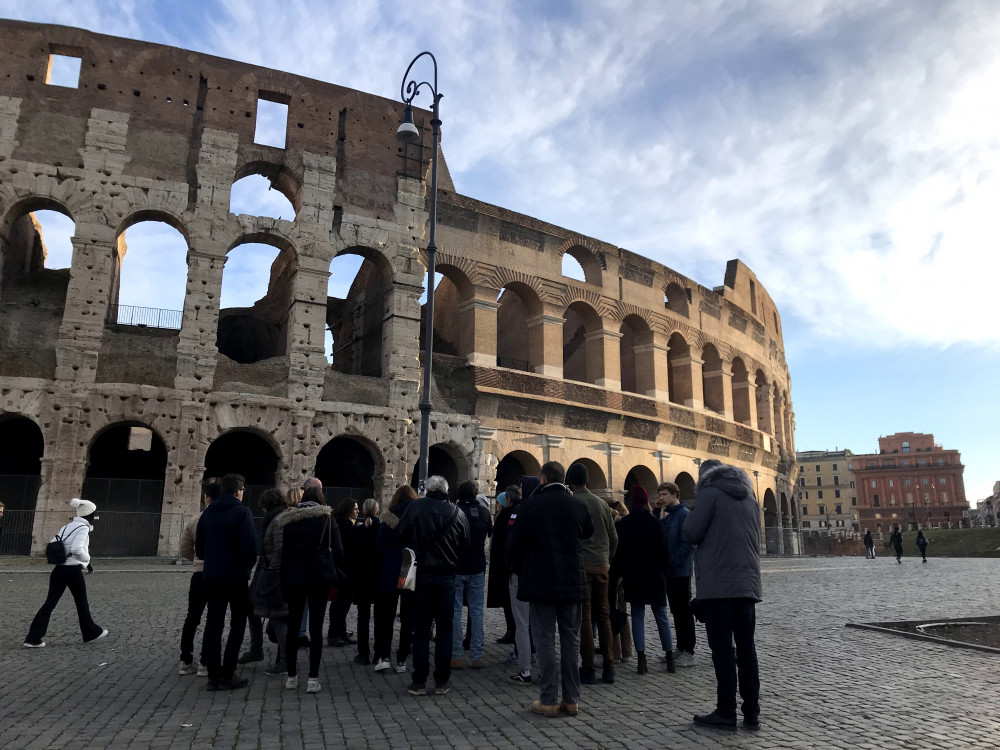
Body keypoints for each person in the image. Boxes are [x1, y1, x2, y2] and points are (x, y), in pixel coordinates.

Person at [507, 461, 594, 718]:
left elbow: (515, 545)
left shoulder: (530, 506)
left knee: (544, 639)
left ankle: (547, 699)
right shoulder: (578, 504)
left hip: (541, 582)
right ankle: (571, 700)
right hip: (572, 581)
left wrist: (522, 571)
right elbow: (588, 532)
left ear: (543, 478)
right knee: (571, 641)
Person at [683, 459, 761, 730]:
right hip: (747, 585)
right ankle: (752, 712)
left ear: (704, 477)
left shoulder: (709, 493)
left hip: (719, 586)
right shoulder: (749, 497)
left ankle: (726, 711)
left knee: (723, 651)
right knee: (747, 649)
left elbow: (690, 532)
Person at [396, 475, 470, 696]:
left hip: (422, 576)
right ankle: (442, 680)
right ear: (447, 491)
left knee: (420, 629)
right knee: (445, 629)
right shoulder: (458, 513)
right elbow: (466, 544)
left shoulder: (415, 508)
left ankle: (419, 680)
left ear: (427, 489)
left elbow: (401, 535)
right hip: (447, 577)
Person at [278, 484, 345, 693]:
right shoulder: (327, 520)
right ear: (321, 498)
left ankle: (291, 676)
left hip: (295, 579)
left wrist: (283, 581)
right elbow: (340, 552)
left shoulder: (290, 522)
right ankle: (313, 679)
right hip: (319, 578)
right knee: (316, 629)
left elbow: (284, 555)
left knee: (293, 627)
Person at [196, 473, 258, 691]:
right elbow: (250, 547)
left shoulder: (207, 513)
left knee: (213, 624)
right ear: (239, 491)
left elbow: (199, 550)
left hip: (212, 576)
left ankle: (213, 676)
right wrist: (246, 566)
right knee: (237, 624)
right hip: (236, 577)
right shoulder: (242, 512)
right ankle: (228, 673)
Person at [24, 498, 108, 647]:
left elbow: (53, 541)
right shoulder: (83, 528)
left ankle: (33, 638)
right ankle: (90, 633)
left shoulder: (66, 526)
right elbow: (77, 549)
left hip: (59, 569)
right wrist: (87, 560)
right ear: (89, 514)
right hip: (73, 570)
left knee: (49, 604)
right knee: (81, 603)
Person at [612, 485, 675, 675]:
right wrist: (666, 573)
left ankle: (641, 659)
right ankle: (670, 657)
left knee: (638, 616)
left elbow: (619, 553)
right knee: (661, 616)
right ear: (647, 501)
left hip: (634, 575)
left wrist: (620, 573)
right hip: (655, 575)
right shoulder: (655, 523)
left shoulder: (624, 524)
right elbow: (665, 552)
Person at [566, 461, 618, 685]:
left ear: (570, 482)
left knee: (585, 617)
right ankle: (609, 666)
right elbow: (613, 537)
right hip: (602, 564)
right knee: (604, 614)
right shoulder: (602, 504)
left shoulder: (571, 503)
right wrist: (607, 558)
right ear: (587, 480)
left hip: (581, 565)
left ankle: (588, 667)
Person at [242, 488, 289, 666]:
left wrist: (272, 574)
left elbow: (279, 548)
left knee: (277, 616)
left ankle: (284, 659)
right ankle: (257, 649)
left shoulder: (278, 520)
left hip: (272, 574)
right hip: (266, 571)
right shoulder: (276, 518)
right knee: (252, 606)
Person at [178, 478, 220, 675]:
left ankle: (185, 660)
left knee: (192, 617)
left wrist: (196, 559)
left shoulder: (196, 519)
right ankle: (205, 662)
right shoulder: (224, 518)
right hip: (218, 574)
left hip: (198, 574)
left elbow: (185, 549)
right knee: (213, 618)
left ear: (206, 498)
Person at [374, 485, 417, 673]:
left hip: (391, 567)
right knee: (408, 616)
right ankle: (402, 659)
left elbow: (379, 547)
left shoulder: (389, 518)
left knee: (386, 615)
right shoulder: (417, 517)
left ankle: (384, 656)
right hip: (409, 568)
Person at [451, 481, 493, 670]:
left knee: (455, 611)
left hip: (457, 565)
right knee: (476, 612)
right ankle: (477, 655)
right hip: (477, 565)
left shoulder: (454, 511)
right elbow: (489, 533)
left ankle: (456, 655)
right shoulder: (484, 512)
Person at [658, 481, 696, 667]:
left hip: (680, 572)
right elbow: (656, 530)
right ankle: (680, 649)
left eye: (664, 494)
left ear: (675, 494)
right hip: (670, 572)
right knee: (676, 611)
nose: (661, 497)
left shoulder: (684, 515)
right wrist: (656, 510)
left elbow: (688, 544)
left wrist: (673, 562)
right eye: (660, 494)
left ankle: (688, 651)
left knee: (684, 611)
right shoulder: (669, 517)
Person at [508, 476, 539, 684]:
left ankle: (525, 670)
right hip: (542, 572)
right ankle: (544, 668)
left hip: (521, 573)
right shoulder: (544, 510)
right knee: (541, 624)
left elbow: (513, 544)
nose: (519, 492)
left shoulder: (520, 512)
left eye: (521, 490)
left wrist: (512, 568)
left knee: (522, 623)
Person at [487, 484, 519, 646]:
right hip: (505, 565)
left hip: (504, 566)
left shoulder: (505, 517)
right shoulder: (503, 516)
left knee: (509, 601)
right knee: (507, 602)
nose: (497, 505)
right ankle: (510, 630)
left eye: (499, 503)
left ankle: (512, 631)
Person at [352, 498, 382, 665]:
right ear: (377, 511)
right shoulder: (382, 529)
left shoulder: (357, 531)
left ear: (364, 511)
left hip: (362, 578)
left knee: (362, 617)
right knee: (379, 617)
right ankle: (378, 652)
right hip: (377, 578)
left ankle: (363, 653)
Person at [328, 497, 360, 646]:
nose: (358, 511)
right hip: (344, 570)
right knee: (340, 603)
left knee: (343, 603)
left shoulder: (343, 524)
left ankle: (340, 631)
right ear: (348, 510)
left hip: (345, 569)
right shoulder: (344, 526)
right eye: (355, 509)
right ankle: (335, 634)